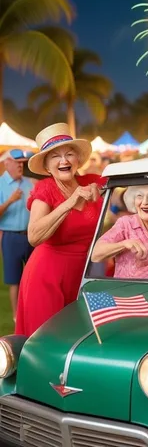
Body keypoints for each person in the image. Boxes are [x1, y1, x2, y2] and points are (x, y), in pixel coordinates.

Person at [15, 123, 105, 337]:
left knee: (85, 337)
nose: (64, 161)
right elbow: (34, 236)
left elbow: (128, 187)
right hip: (47, 276)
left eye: (69, 154)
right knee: (49, 338)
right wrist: (69, 203)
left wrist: (101, 189)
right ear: (47, 166)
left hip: (86, 274)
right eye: (55, 156)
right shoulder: (45, 189)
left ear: (78, 160)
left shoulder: (92, 181)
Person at [0, 149, 35, 322]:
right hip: (11, 237)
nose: (21, 165)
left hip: (30, 236)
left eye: (22, 162)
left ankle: (31, 309)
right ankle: (16, 316)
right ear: (7, 163)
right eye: (17, 162)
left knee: (33, 276)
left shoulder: (29, 183)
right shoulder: (0, 184)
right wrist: (10, 201)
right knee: (14, 279)